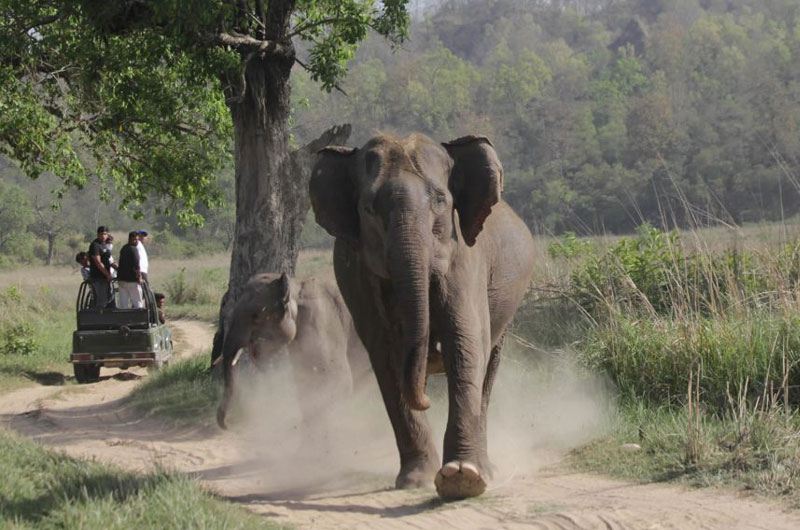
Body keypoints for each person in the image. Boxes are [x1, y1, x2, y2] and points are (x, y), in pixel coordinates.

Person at [87, 226, 114, 308]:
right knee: (101, 302)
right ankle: (99, 319)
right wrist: (107, 274)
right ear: (98, 234)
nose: (103, 236)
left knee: (107, 299)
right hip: (99, 278)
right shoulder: (95, 245)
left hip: (104, 278)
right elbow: (98, 262)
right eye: (101, 234)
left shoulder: (104, 246)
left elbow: (110, 261)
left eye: (105, 234)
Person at [117, 231, 144, 309]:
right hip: (132, 280)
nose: (136, 242)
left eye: (137, 240)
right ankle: (138, 319)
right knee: (138, 303)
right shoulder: (134, 249)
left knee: (123, 304)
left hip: (122, 280)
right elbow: (137, 265)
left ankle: (123, 320)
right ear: (129, 239)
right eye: (134, 240)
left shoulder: (124, 248)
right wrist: (139, 277)